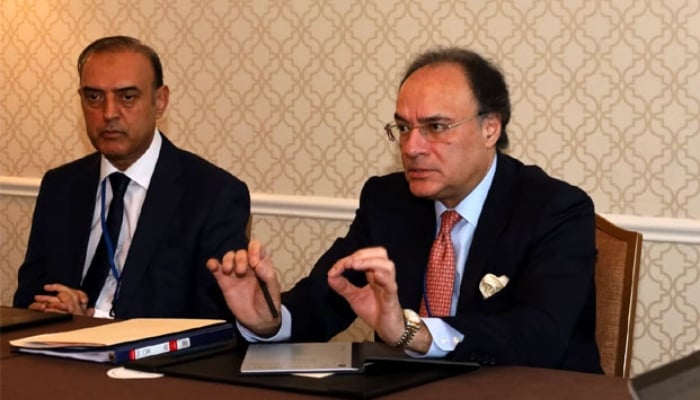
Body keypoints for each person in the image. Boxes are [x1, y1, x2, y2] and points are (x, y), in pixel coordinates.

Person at [207, 47, 602, 373]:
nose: (411, 147)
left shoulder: (555, 209)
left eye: (435, 127)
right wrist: (270, 321)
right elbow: (325, 297)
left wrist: (416, 333)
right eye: (403, 128)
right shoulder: (388, 201)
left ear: (490, 129)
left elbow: (541, 335)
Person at [13, 36, 250, 320]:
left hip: (151, 362)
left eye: (127, 97)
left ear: (159, 101)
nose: (109, 113)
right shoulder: (60, 186)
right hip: (59, 357)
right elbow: (28, 298)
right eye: (94, 97)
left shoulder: (214, 195)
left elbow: (213, 322)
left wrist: (94, 320)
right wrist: (56, 310)